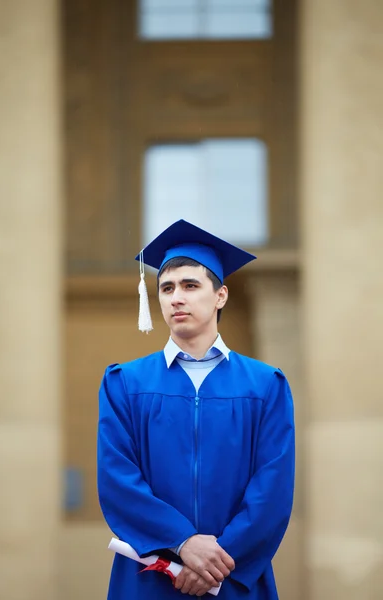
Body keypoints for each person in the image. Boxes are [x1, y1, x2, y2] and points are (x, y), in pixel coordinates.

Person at [97, 219, 295, 599]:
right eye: (167, 288)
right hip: (151, 571)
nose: (176, 298)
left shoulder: (265, 384)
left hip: (233, 576)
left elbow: (273, 487)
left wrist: (216, 564)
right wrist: (182, 542)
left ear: (220, 295)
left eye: (190, 286)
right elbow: (117, 479)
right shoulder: (126, 383)